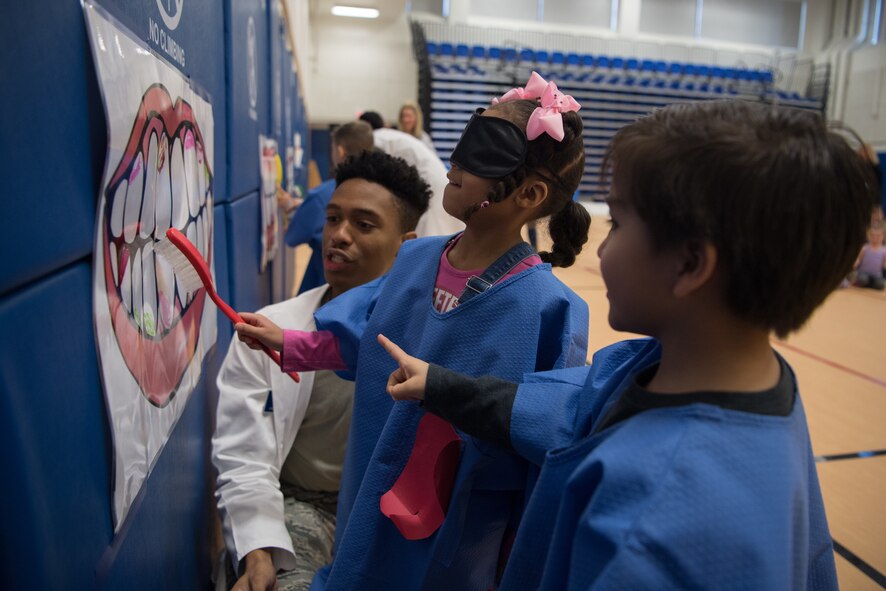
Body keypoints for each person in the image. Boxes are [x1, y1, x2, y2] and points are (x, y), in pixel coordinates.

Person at [378, 100, 875, 590]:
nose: (603, 247)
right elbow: (571, 408)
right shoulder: (710, 372)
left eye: (617, 222)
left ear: (689, 265)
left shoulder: (652, 524)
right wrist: (442, 385)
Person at [234, 72, 592, 590]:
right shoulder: (416, 259)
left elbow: (545, 434)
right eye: (464, 144)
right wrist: (290, 343)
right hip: (372, 471)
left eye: (481, 156)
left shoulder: (549, 309)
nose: (456, 163)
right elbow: (363, 336)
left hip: (461, 523)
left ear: (530, 192)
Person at [213, 150, 432, 591]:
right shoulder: (270, 330)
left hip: (389, 518)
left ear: (407, 245)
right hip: (301, 507)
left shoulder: (430, 338)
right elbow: (242, 455)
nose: (339, 236)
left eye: (363, 225)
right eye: (333, 219)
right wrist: (257, 551)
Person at [283, 121, 376, 294]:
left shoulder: (322, 195)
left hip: (326, 293)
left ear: (340, 151)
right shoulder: (381, 195)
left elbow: (293, 237)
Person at [362, 109, 464, 237]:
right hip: (433, 179)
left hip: (430, 183)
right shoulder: (388, 136)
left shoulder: (376, 138)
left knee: (431, 233)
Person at [852, 221, 886, 290]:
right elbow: (859, 259)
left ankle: (869, 284)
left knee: (880, 285)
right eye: (873, 235)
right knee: (863, 279)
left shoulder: (884, 250)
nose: (875, 238)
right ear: (869, 236)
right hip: (864, 273)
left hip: (876, 275)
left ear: (883, 237)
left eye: (878, 236)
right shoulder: (865, 248)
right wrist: (854, 264)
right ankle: (863, 282)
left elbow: (884, 264)